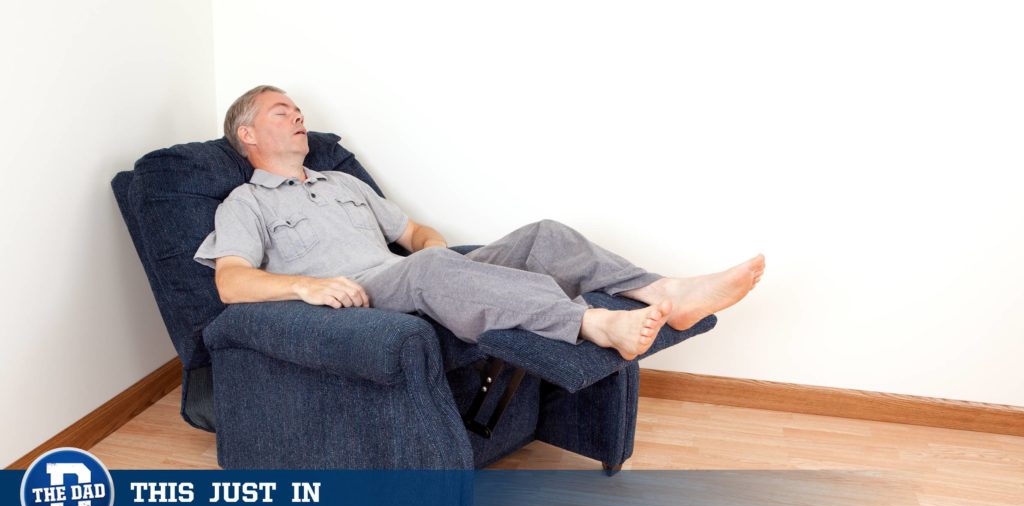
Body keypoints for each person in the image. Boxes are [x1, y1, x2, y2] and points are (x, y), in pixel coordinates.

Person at [195, 85, 765, 361]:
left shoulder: (342, 183)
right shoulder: (246, 203)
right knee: (431, 271)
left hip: (415, 275)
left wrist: (433, 251)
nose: (298, 117)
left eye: (299, 111)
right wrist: (306, 285)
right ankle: (593, 324)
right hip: (365, 299)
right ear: (247, 135)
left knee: (545, 234)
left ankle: (665, 290)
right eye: (282, 112)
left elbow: (414, 236)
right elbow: (231, 281)